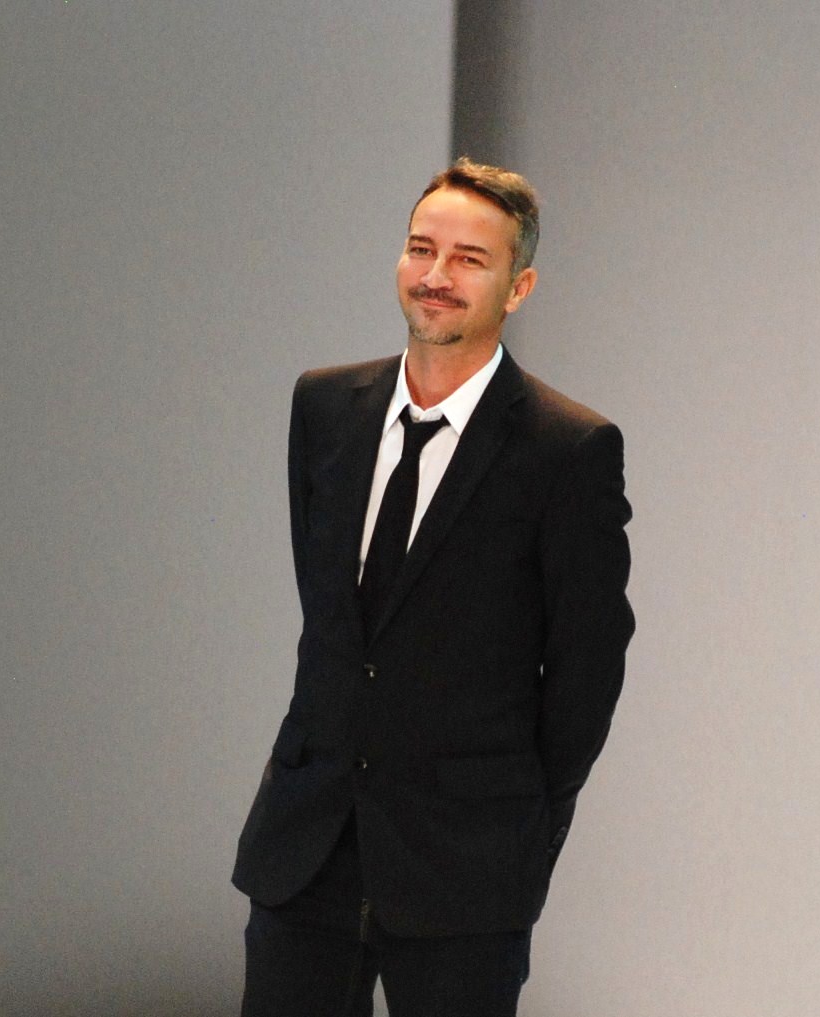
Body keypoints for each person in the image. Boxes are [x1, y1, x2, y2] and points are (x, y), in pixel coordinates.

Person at [233, 158, 634, 1017]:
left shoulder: (567, 449)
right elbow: (333, 619)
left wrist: (520, 829)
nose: (436, 275)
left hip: (466, 869)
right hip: (305, 848)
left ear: (518, 287)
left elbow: (587, 670)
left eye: (468, 259)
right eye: (422, 248)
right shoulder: (324, 406)